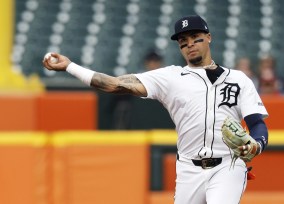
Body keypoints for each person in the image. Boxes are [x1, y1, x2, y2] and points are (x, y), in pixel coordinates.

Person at [43, 15, 269, 204]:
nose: (189, 43)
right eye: (182, 40)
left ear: (208, 37)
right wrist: (70, 67)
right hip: (189, 169)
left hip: (228, 165)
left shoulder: (239, 79)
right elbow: (114, 84)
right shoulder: (170, 77)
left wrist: (256, 144)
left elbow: (257, 122)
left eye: (194, 37)